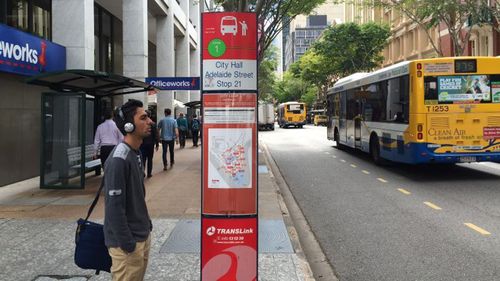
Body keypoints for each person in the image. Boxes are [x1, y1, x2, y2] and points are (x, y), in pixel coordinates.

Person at [104, 99, 153, 281]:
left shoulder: (135, 153)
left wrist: (146, 225)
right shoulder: (119, 159)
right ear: (129, 125)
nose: (150, 122)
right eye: (144, 118)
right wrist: (128, 244)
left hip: (140, 235)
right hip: (127, 246)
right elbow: (113, 207)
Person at [140, 110, 159, 178]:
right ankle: (149, 173)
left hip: (142, 144)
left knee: (143, 159)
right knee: (150, 159)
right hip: (150, 144)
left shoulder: (141, 123)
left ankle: (142, 173)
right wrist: (157, 144)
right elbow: (156, 134)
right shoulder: (153, 124)